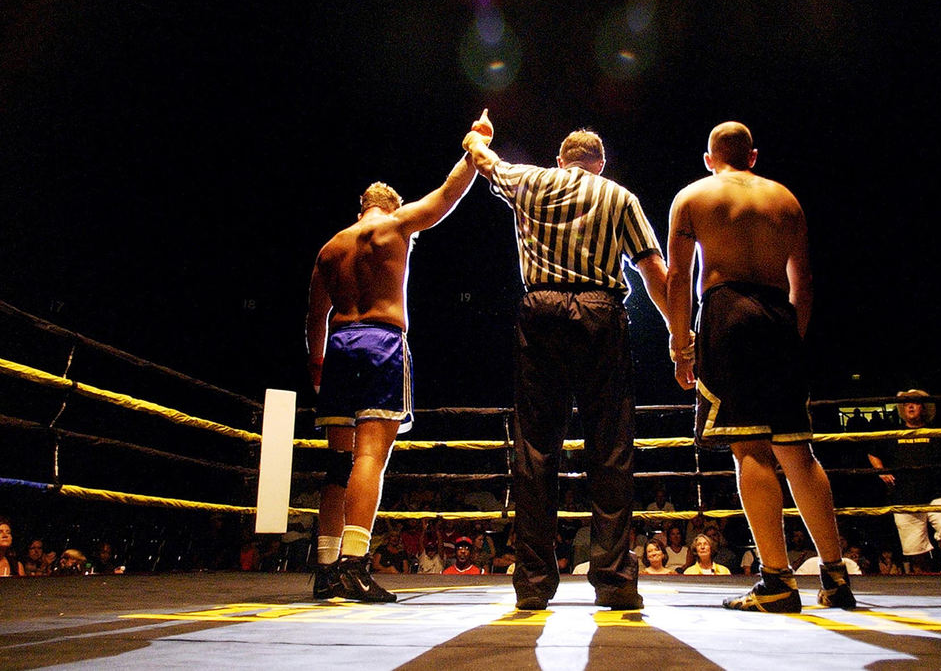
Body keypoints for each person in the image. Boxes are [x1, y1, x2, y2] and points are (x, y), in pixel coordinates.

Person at [463, 116, 670, 612]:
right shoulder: (619, 196)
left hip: (541, 310)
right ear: (601, 164)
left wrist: (478, 134)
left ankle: (533, 583)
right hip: (600, 312)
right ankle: (616, 582)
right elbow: (652, 270)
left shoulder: (531, 180)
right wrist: (679, 336)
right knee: (611, 446)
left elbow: (483, 160)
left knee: (536, 449)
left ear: (561, 160)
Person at [666, 121, 854, 613]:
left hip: (729, 314)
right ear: (753, 156)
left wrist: (680, 344)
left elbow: (679, 278)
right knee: (798, 449)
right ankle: (835, 576)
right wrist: (792, 335)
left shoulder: (693, 196)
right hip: (779, 314)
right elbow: (804, 281)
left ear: (710, 158)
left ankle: (776, 580)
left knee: (749, 444)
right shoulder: (786, 201)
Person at [306, 112, 488, 602]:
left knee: (336, 465)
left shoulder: (329, 249)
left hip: (339, 347)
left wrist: (319, 366)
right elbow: (449, 193)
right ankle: (354, 564)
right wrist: (477, 147)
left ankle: (324, 569)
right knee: (370, 456)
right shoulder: (396, 226)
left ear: (360, 205)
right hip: (381, 342)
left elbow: (314, 318)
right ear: (391, 205)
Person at [866, 389, 941, 574]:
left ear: (923, 407)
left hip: (935, 493)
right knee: (916, 550)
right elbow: (872, 452)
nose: (910, 406)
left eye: (915, 402)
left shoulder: (937, 433)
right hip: (904, 495)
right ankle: (925, 586)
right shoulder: (893, 434)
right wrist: (881, 472)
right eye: (907, 402)